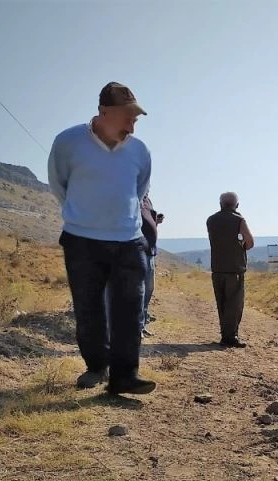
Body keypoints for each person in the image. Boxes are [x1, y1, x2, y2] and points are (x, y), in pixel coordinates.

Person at [48, 81, 156, 395]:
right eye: (127, 116)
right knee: (88, 309)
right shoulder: (68, 142)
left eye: (135, 118)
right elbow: (60, 185)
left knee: (129, 310)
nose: (132, 124)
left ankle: (124, 376)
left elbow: (139, 191)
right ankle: (96, 366)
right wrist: (85, 215)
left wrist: (120, 218)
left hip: (129, 240)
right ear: (104, 111)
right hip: (82, 240)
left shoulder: (139, 150)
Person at [206, 192, 255, 347]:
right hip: (234, 268)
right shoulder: (238, 219)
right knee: (234, 304)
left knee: (222, 303)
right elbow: (250, 242)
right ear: (237, 205)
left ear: (220, 204)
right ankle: (230, 337)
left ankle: (224, 334)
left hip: (217, 267)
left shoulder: (211, 220)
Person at [140, 195, 163, 336]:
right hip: (137, 252)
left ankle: (141, 325)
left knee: (148, 289)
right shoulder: (132, 197)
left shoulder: (147, 201)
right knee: (139, 291)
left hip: (150, 252)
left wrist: (156, 222)